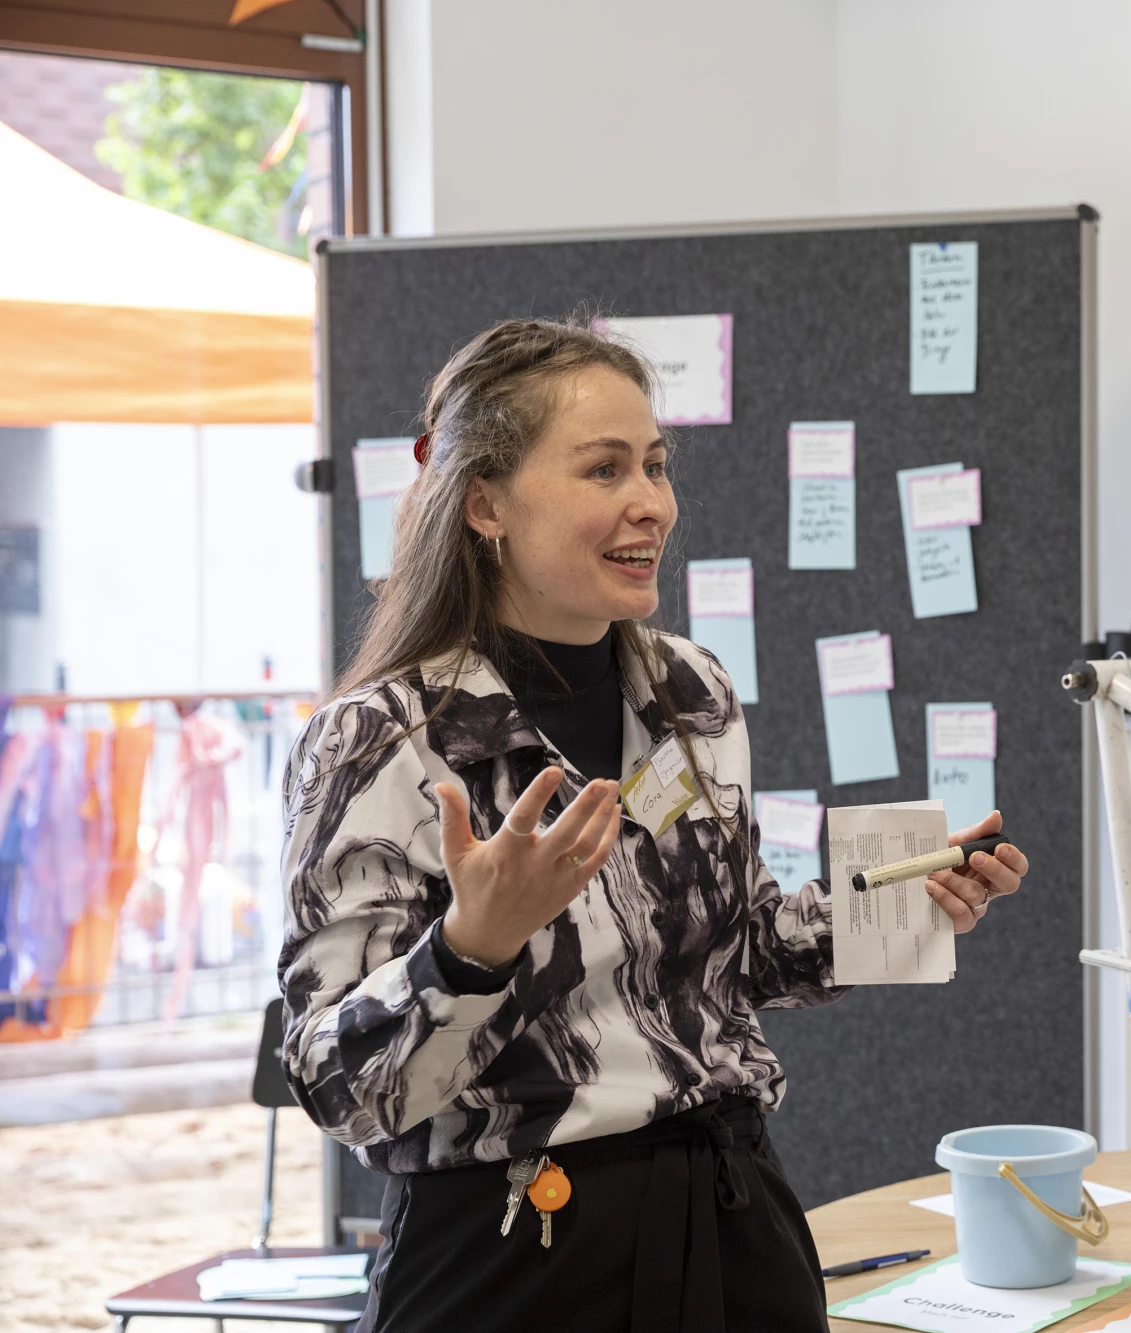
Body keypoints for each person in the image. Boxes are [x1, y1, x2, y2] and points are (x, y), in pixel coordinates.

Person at [277, 317, 1029, 1333]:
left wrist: (909, 901)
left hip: (734, 1224)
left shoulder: (690, 688)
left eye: (656, 465)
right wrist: (468, 949)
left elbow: (739, 952)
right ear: (485, 503)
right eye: (604, 469)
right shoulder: (377, 739)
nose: (653, 503)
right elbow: (336, 1086)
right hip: (515, 1260)